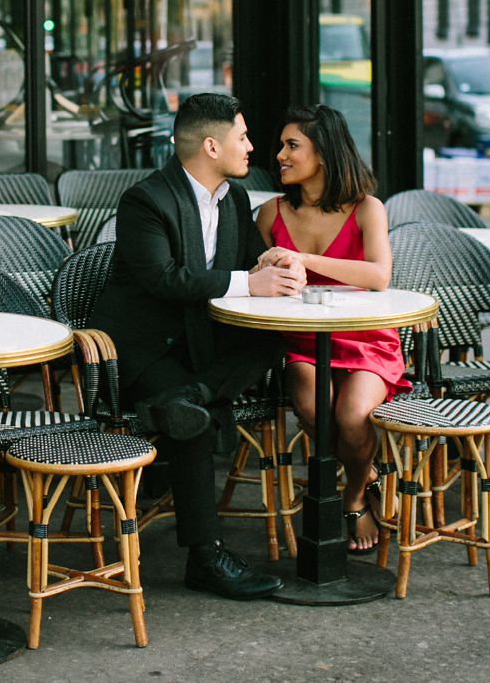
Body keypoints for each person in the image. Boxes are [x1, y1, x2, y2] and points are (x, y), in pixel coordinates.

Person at [91, 92, 306, 600]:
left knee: (272, 341)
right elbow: (166, 279)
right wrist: (248, 284)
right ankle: (206, 558)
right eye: (243, 136)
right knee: (190, 426)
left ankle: (192, 394)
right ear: (211, 145)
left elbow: (250, 267)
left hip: (200, 346)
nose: (253, 147)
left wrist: (279, 264)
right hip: (143, 350)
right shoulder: (146, 200)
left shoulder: (233, 198)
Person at [254, 105, 400, 554]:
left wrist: (305, 260)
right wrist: (263, 267)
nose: (279, 154)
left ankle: (354, 495)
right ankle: (367, 472)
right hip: (301, 342)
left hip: (366, 338)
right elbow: (260, 282)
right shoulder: (269, 214)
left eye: (292, 145)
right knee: (317, 411)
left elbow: (379, 276)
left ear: (326, 154)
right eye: (282, 145)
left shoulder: (366, 209)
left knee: (353, 416)